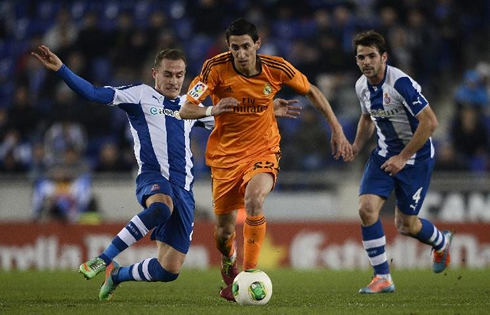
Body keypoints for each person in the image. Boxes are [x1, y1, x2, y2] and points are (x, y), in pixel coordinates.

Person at [31, 45, 299, 301]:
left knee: (168, 270)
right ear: (155, 74)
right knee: (161, 207)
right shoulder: (139, 95)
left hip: (183, 191)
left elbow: (236, 119)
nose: (174, 81)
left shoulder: (189, 106)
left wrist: (268, 110)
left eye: (179, 75)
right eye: (168, 74)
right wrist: (61, 69)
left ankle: (118, 275)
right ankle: (105, 258)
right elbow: (93, 92)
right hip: (152, 178)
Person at [179, 18, 353, 301]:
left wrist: (336, 128)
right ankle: (229, 262)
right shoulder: (214, 69)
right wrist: (213, 110)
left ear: (257, 44)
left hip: (263, 150)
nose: (241, 53)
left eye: (246, 46)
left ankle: (249, 273)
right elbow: (186, 109)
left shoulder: (277, 68)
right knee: (223, 234)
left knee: (255, 199)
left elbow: (313, 91)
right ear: (229, 47)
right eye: (235, 47)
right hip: (225, 157)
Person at [346, 30, 453, 294]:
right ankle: (382, 277)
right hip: (383, 155)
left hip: (415, 159)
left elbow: (431, 122)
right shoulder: (361, 86)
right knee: (366, 209)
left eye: (372, 56)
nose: (366, 62)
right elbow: (367, 118)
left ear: (384, 57)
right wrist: (357, 145)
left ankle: (440, 242)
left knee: (406, 226)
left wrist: (403, 157)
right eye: (361, 57)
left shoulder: (400, 83)